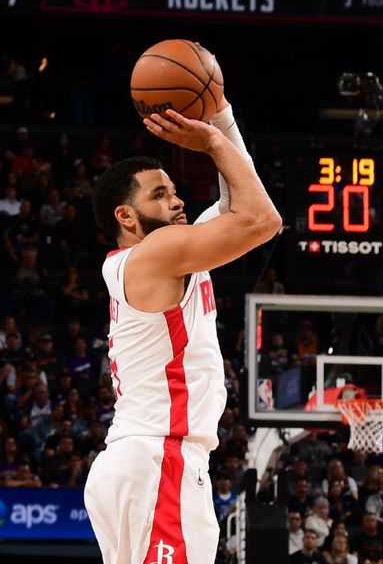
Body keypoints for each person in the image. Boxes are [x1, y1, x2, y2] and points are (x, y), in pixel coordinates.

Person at [84, 93, 281, 564]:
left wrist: (222, 115)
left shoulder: (170, 252)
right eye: (159, 194)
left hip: (142, 459)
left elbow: (240, 197)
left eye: (173, 191)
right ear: (125, 216)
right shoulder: (157, 252)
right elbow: (263, 220)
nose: (176, 201)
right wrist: (212, 140)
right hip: (160, 458)